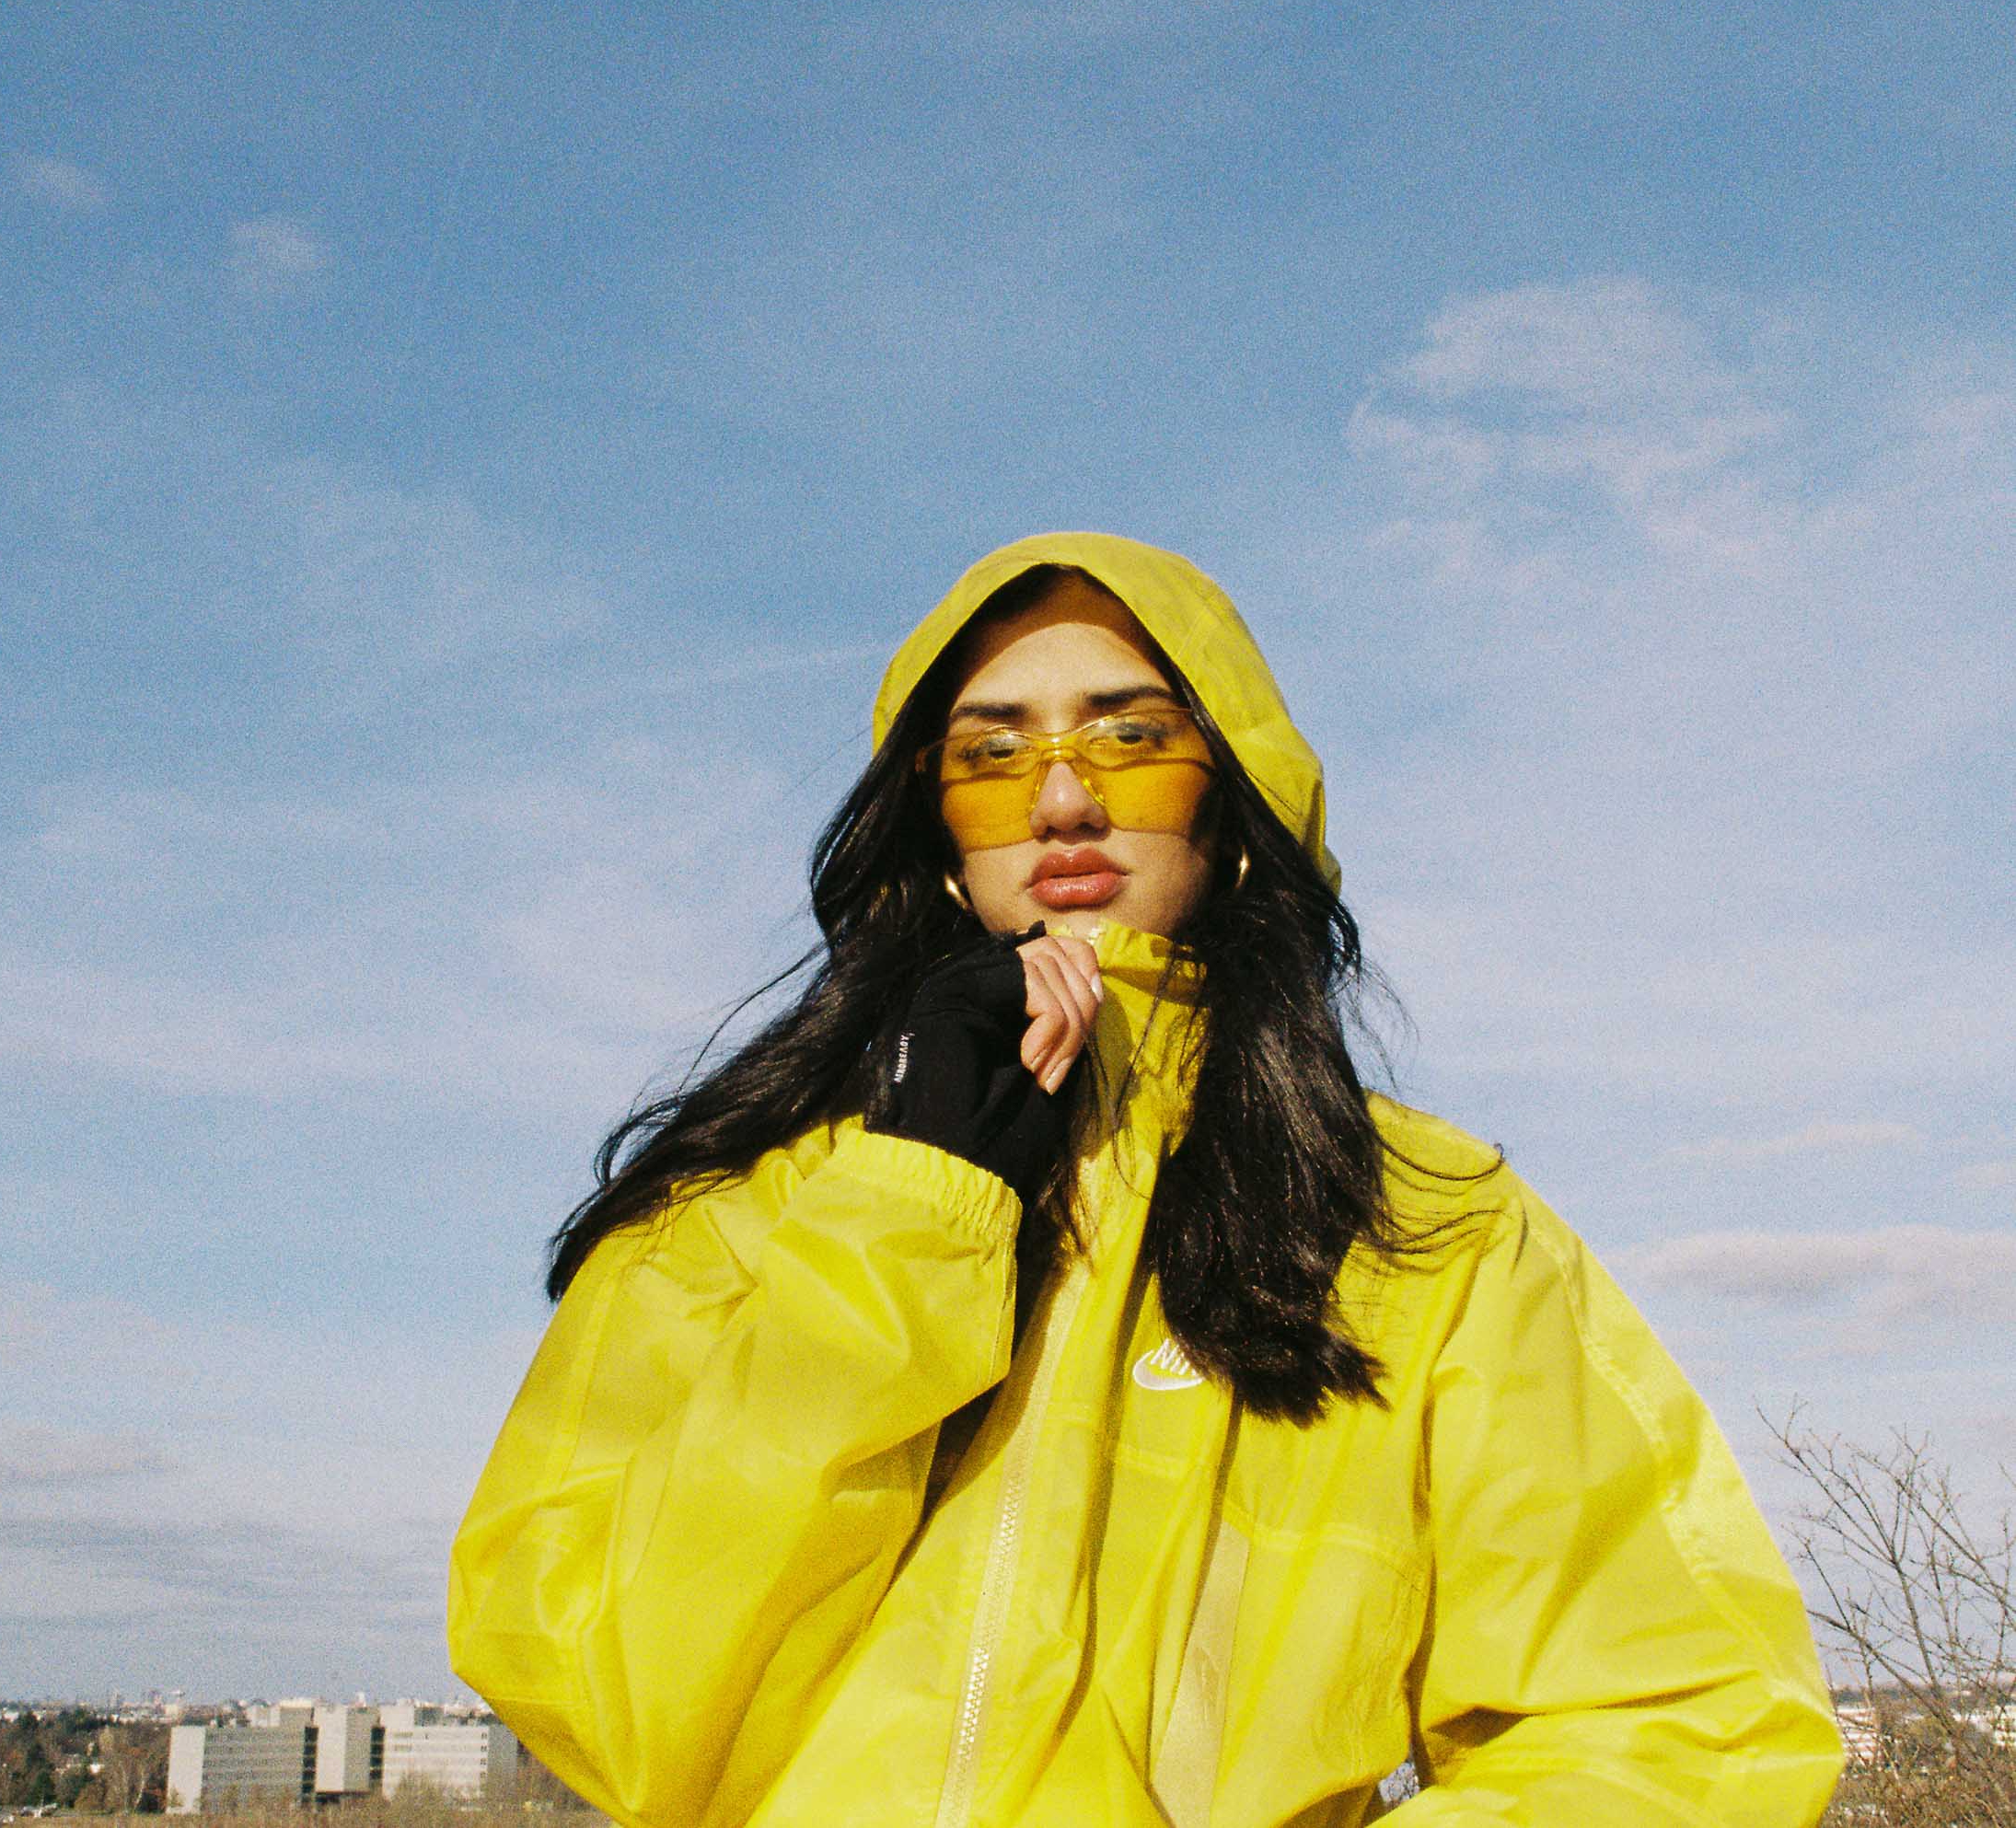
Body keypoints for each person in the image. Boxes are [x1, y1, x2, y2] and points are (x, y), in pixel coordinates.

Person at [447, 532, 1843, 1827]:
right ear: (938, 833)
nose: (1063, 799)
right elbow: (610, 1709)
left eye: (1131, 738)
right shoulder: (734, 1216)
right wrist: (906, 1209)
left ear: (1232, 804)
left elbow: (1674, 1723)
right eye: (993, 755)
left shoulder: (1428, 1228)